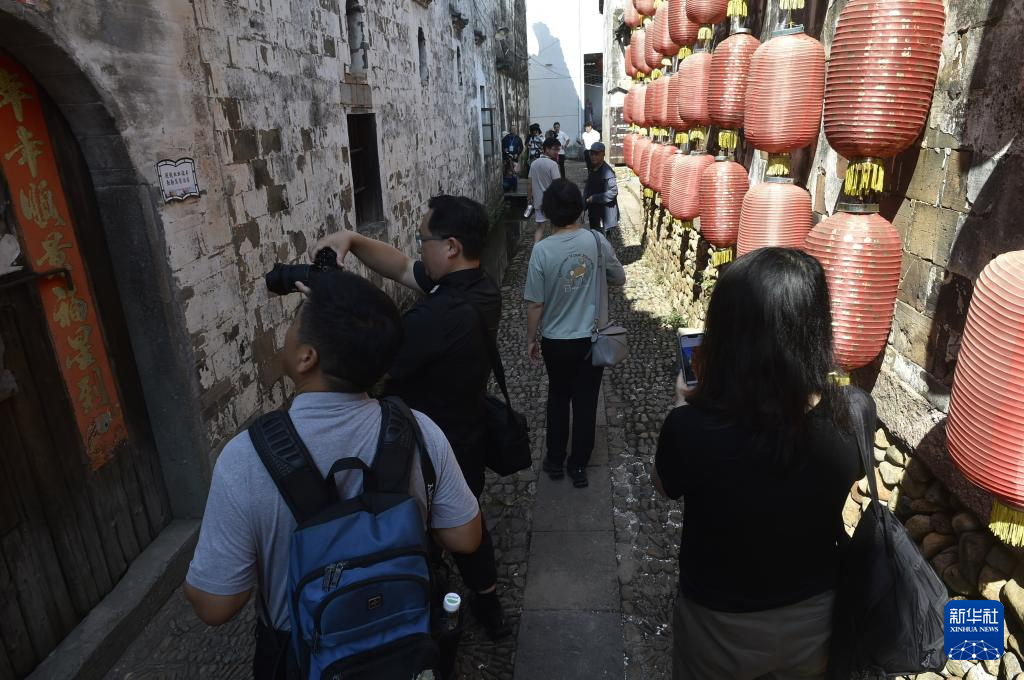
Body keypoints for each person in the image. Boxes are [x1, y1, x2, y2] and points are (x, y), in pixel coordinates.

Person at [183, 269, 483, 675]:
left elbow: (215, 606)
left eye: (295, 322)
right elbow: (465, 537)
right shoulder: (419, 431)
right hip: (403, 648)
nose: (288, 332)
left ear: (307, 357)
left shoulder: (245, 459)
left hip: (301, 659)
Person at [652, 248, 866, 680]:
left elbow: (665, 484)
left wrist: (681, 405)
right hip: (814, 617)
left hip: (718, 625)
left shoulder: (691, 428)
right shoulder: (856, 413)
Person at [309, 196, 512, 641]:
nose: (418, 248)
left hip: (427, 450)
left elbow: (371, 359)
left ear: (451, 246)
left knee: (428, 531)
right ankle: (488, 599)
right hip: (469, 433)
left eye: (423, 240)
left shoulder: (436, 316)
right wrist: (353, 239)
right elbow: (402, 268)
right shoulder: (479, 288)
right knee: (468, 518)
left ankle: (419, 610)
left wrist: (330, 302)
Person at [525, 179, 625, 489]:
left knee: (558, 397)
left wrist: (531, 339)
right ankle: (579, 465)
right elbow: (619, 277)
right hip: (590, 339)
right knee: (586, 401)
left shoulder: (541, 251)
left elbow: (535, 303)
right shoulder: (596, 241)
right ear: (579, 208)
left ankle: (554, 460)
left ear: (549, 212)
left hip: (555, 341)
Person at [528, 137, 562, 243]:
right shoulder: (553, 164)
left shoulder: (534, 163)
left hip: (538, 201)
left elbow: (530, 183)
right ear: (547, 149)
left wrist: (529, 197)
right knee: (554, 227)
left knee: (540, 228)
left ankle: (536, 248)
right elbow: (557, 184)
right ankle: (552, 248)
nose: (557, 152)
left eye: (558, 149)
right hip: (552, 201)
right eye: (555, 149)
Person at [583, 142, 619, 236]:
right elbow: (589, 186)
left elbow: (613, 192)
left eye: (596, 154)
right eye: (592, 154)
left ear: (603, 154)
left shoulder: (608, 172)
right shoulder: (592, 168)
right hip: (593, 211)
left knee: (605, 240)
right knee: (595, 236)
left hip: (604, 213)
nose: (593, 156)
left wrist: (594, 198)